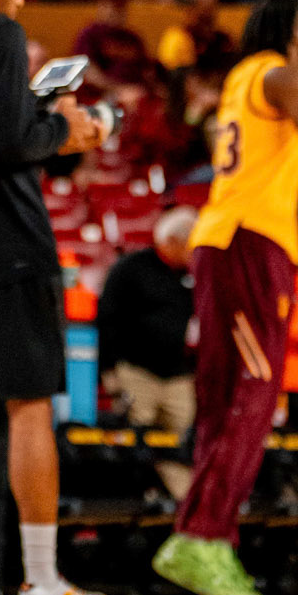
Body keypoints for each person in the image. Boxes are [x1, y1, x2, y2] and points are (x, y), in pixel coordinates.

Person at [151, 0, 298, 595]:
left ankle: (210, 542)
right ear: (288, 30)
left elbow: (289, 173)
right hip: (249, 244)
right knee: (254, 396)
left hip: (222, 239)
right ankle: (201, 536)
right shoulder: (291, 76)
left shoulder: (246, 79)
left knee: (222, 404)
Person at [0, 0, 111, 595]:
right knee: (32, 406)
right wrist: (69, 129)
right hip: (16, 238)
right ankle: (39, 579)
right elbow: (10, 140)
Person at [99, 207, 198, 503]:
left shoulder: (192, 276)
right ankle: (134, 500)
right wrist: (110, 372)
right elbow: (107, 319)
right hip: (137, 371)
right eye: (190, 244)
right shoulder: (131, 269)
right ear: (171, 240)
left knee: (181, 442)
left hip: (178, 374)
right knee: (135, 437)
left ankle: (183, 504)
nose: (194, 252)